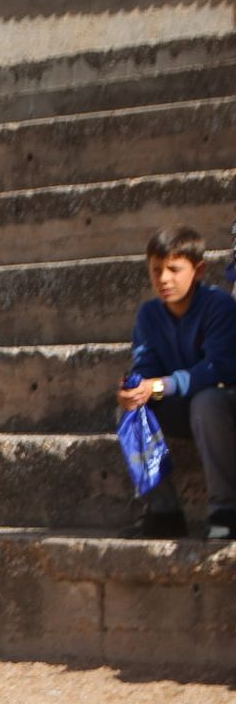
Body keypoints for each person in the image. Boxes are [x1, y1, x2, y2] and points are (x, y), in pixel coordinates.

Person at [115, 224, 236, 540]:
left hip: (220, 408)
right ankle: (163, 511)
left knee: (206, 400)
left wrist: (160, 386)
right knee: (129, 411)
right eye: (156, 270)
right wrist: (135, 387)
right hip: (179, 406)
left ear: (198, 270)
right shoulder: (149, 314)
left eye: (174, 269)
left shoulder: (219, 305)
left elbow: (217, 369)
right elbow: (146, 364)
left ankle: (225, 508)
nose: (164, 279)